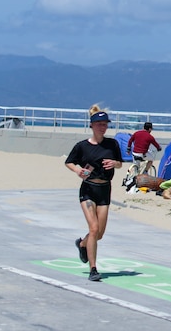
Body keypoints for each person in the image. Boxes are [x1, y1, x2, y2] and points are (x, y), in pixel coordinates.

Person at [64, 105, 122, 282]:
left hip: (105, 189)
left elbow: (120, 163)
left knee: (99, 234)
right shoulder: (82, 146)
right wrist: (77, 171)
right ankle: (93, 269)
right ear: (92, 126)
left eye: (105, 124)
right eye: (99, 124)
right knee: (94, 228)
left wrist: (114, 163)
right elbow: (69, 162)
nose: (102, 127)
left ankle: (82, 244)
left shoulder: (112, 144)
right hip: (88, 189)